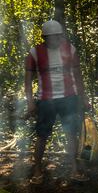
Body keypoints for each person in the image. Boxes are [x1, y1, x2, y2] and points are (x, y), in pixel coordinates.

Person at [25, 20, 90, 184]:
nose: (55, 40)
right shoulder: (35, 52)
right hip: (46, 100)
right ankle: (37, 169)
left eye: (58, 36)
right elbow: (27, 80)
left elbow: (78, 76)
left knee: (71, 133)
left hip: (69, 98)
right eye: (52, 37)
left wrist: (84, 98)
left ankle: (74, 168)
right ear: (45, 37)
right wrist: (30, 102)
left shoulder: (70, 49)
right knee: (42, 135)